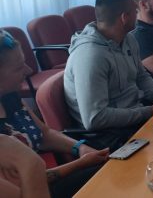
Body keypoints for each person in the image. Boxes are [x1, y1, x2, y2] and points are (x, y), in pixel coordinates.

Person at [0, 30, 109, 198]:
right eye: (18, 68)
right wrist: (80, 163)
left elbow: (45, 134)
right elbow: (25, 185)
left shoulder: (10, 96)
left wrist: (80, 147)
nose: (28, 70)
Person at [64, 0, 153, 146]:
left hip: (135, 117)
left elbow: (141, 76)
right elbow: (95, 118)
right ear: (124, 18)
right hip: (111, 136)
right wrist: (148, 111)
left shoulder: (128, 39)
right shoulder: (91, 56)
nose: (138, 15)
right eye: (135, 11)